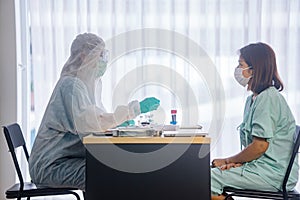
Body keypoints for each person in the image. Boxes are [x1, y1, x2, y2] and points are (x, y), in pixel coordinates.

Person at [28, 33, 160, 191]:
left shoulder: (86, 85)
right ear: (84, 56)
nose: (105, 61)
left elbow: (96, 118)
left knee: (110, 169)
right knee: (103, 174)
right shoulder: (71, 86)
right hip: (51, 166)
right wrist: (133, 111)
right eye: (101, 55)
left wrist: (118, 122)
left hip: (65, 159)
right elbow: (91, 122)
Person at [211, 42, 299, 200]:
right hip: (262, 168)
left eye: (240, 65)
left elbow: (260, 146)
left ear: (254, 69)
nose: (237, 70)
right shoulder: (254, 99)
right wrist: (238, 164)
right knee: (209, 176)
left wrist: (228, 160)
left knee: (206, 180)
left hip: (273, 174)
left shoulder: (268, 98)